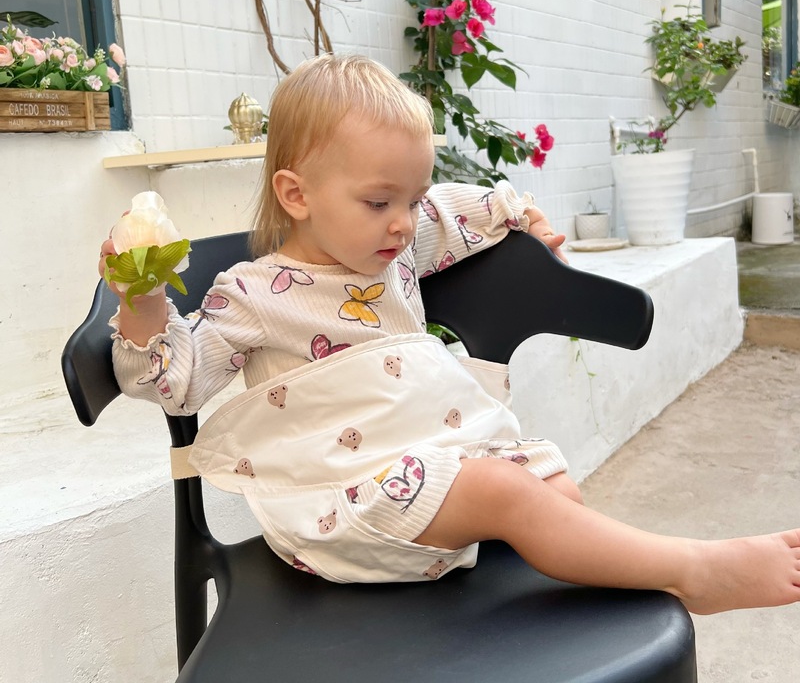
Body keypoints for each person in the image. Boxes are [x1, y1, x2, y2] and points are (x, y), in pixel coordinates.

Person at [100, 54, 800, 613]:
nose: (404, 221)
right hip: (344, 502)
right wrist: (143, 298)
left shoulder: (396, 245)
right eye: (380, 201)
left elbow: (470, 212)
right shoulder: (252, 295)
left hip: (429, 466)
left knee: (558, 496)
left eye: (412, 198)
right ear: (296, 194)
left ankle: (573, 605)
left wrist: (525, 222)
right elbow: (175, 383)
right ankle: (693, 571)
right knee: (509, 495)